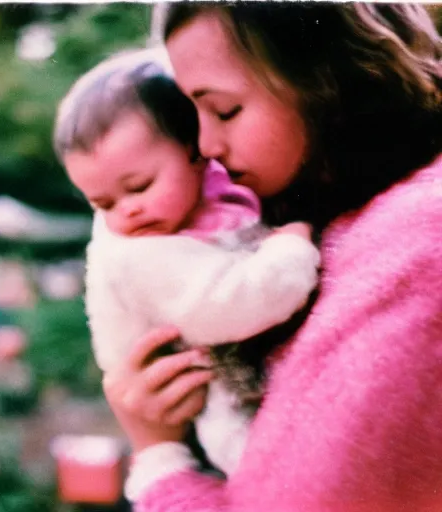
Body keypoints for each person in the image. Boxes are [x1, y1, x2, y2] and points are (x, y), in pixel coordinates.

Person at [99, 3, 442, 511]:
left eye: (224, 110)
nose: (206, 145)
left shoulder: (418, 252)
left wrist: (158, 458)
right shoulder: (339, 214)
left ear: (330, 80)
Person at [53, 48, 321, 476]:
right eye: (102, 203)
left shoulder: (213, 192)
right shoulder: (137, 253)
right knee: (262, 455)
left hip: (240, 364)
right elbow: (232, 305)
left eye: (139, 186)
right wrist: (291, 248)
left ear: (195, 152)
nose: (127, 211)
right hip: (213, 402)